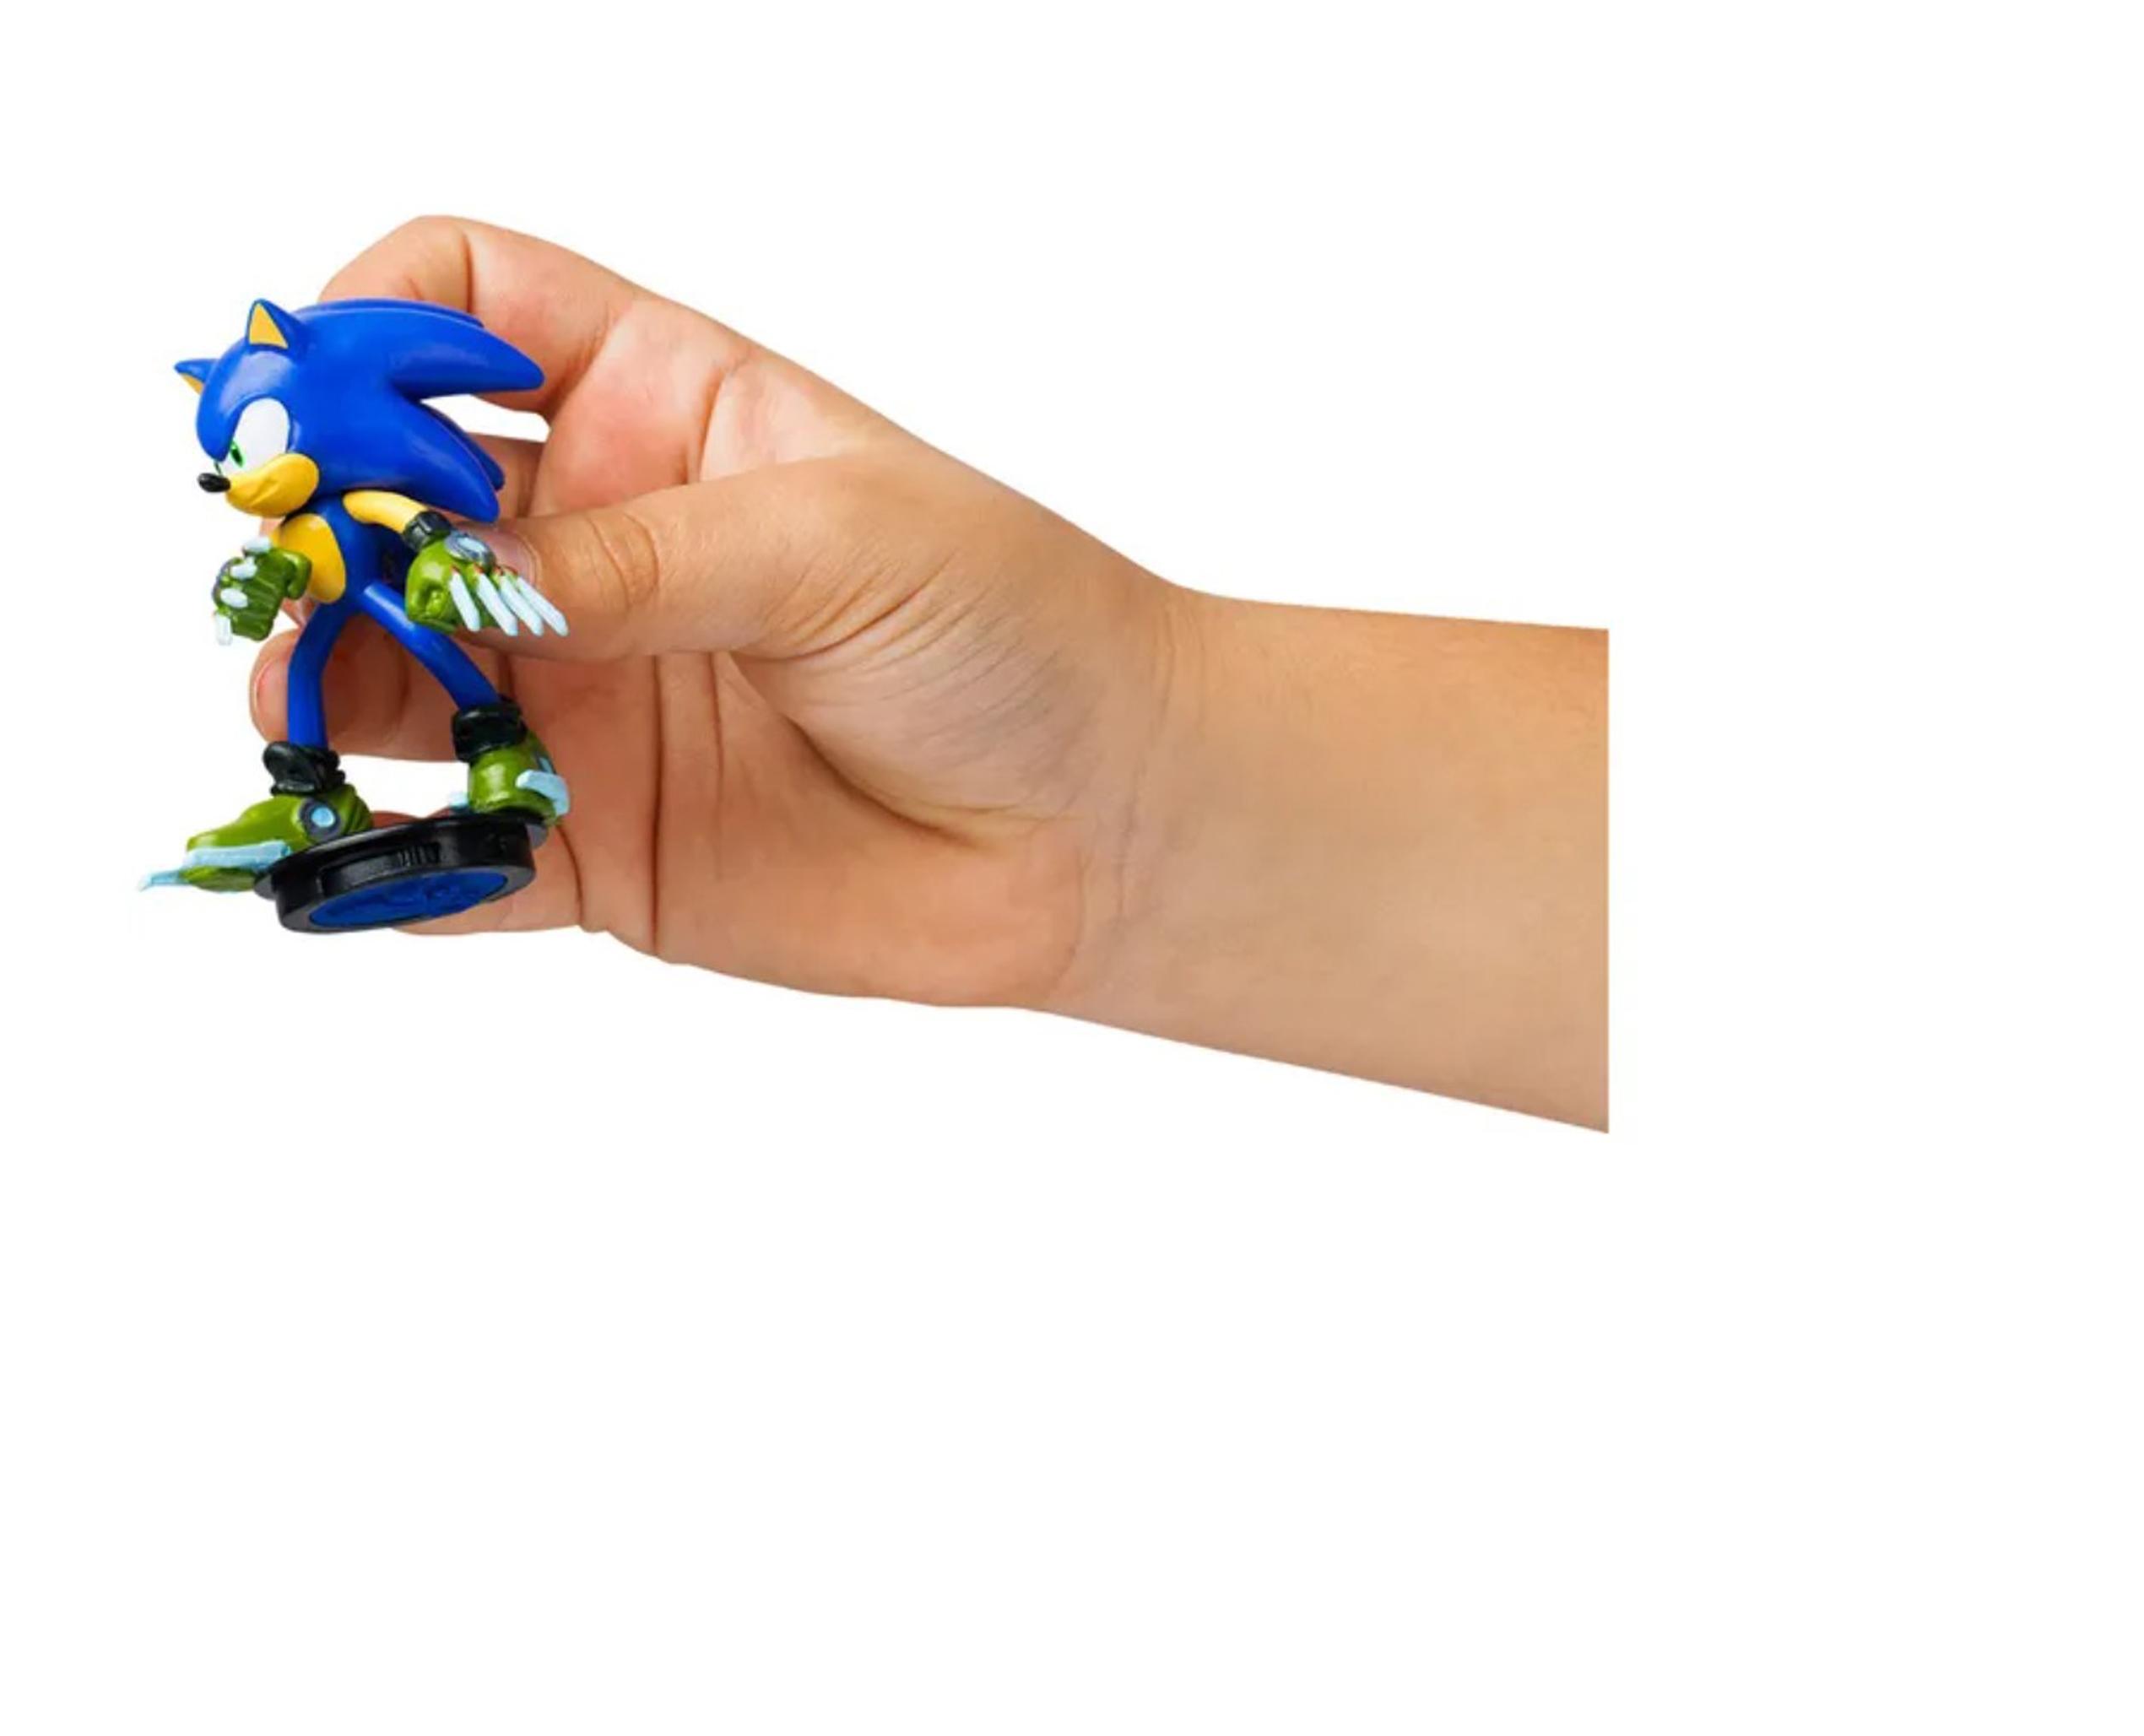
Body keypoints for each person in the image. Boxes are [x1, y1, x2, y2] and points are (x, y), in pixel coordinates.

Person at [244, 217, 1608, 1127]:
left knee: (437, 656)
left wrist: (469, 552)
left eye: (258, 447)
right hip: (378, 611)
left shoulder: (377, 499)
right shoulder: (304, 522)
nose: (245, 478)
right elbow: (287, 571)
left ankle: (495, 748)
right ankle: (307, 784)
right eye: (232, 458)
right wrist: (1131, 809)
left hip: (425, 600)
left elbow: (427, 532)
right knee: (308, 686)